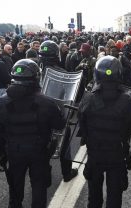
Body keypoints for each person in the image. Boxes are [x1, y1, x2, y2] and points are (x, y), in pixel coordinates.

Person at [0, 59, 64, 208]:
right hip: (40, 151)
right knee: (39, 187)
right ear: (36, 78)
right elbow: (59, 125)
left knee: (15, 188)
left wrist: (1, 154)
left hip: (14, 151)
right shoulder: (47, 103)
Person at [77, 56, 131, 208]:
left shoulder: (87, 99)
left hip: (95, 154)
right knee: (114, 197)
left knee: (93, 197)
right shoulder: (130, 102)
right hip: (117, 154)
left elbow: (82, 126)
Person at [38, 40, 78, 182]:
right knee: (64, 143)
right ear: (56, 55)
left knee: (41, 144)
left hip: (37, 116)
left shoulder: (34, 70)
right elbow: (70, 96)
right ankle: (66, 173)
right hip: (57, 113)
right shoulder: (62, 73)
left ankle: (44, 173)